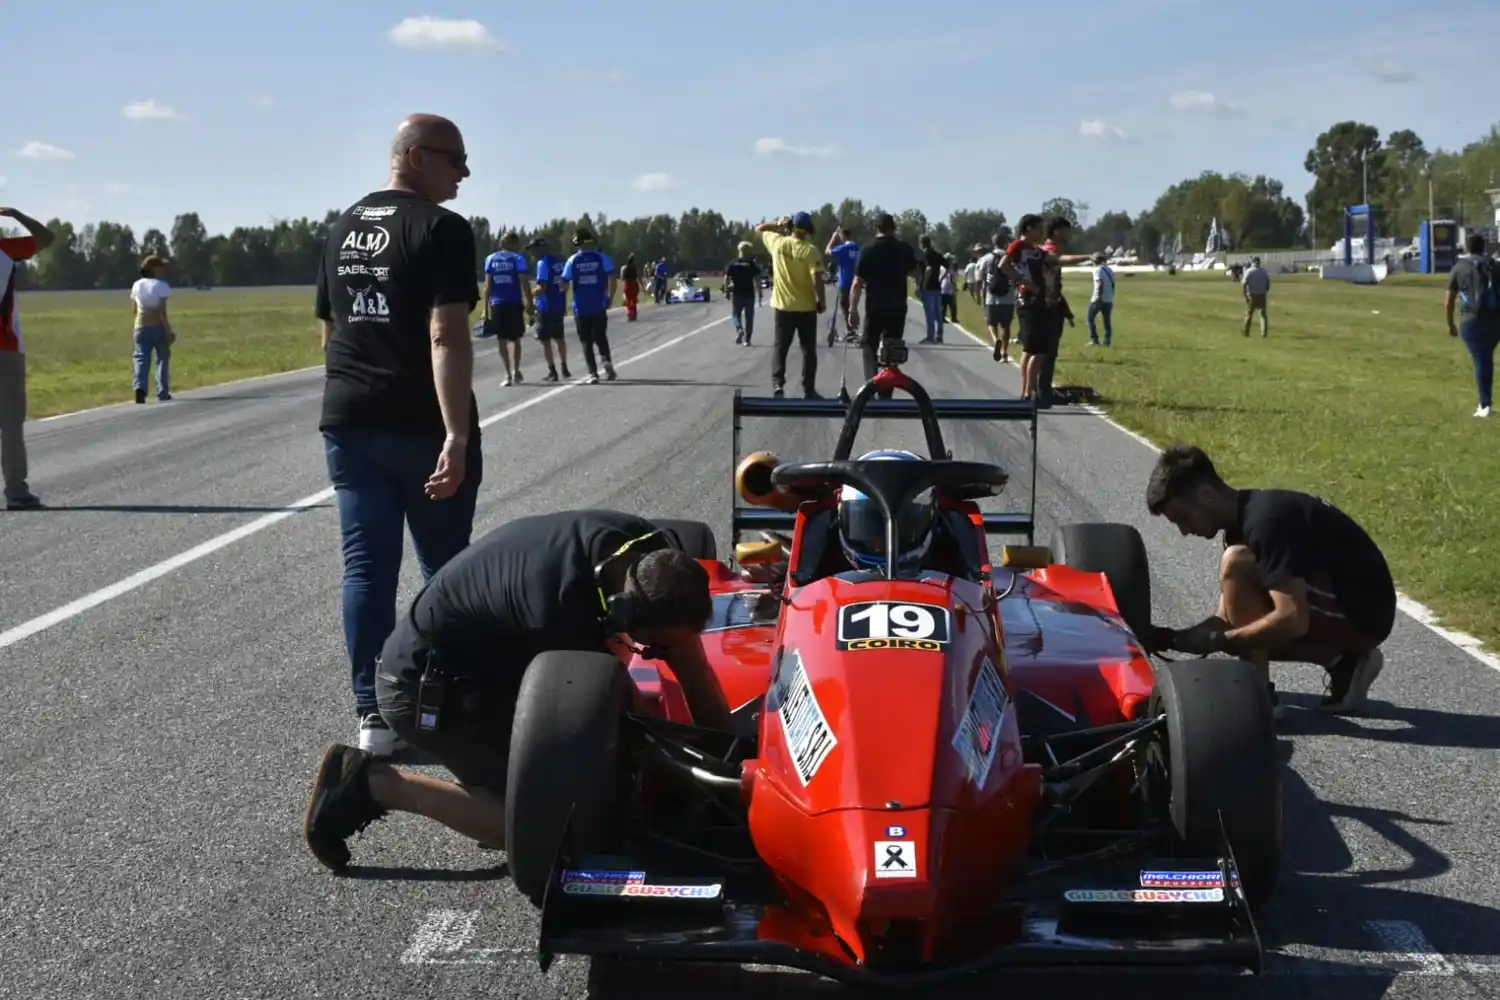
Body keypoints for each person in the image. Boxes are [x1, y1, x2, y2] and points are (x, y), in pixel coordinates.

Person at [301, 509, 731, 872]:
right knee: (551, 823)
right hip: (422, 689)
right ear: (624, 615)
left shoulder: (646, 549)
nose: (665, 653)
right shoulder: (559, 617)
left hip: (484, 662)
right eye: (653, 644)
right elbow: (609, 718)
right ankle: (373, 783)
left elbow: (688, 659)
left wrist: (727, 756)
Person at [316, 113, 482, 756]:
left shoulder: (343, 225)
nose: (464, 172)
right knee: (445, 570)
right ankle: (443, 703)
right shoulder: (442, 228)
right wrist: (457, 435)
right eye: (455, 159)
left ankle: (373, 718)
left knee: (366, 569)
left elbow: (332, 329)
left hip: (350, 417)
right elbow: (446, 335)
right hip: (418, 419)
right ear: (416, 156)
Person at [1144, 444, 1394, 718]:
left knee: (1237, 568)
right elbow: (1227, 619)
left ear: (1206, 495)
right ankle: (1346, 663)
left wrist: (1220, 641)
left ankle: (1260, 700)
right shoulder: (1241, 525)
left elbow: (1292, 619)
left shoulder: (1266, 522)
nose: (1183, 531)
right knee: (1245, 626)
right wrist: (1170, 638)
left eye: (1183, 518)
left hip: (1364, 613)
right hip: (1345, 603)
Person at [1, 206, 55, 511]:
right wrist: (17, 215)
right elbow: (46, 238)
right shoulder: (6, 250)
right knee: (10, 425)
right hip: (6, 347)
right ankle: (16, 491)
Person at [755, 212, 826, 399]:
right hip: (806, 308)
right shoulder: (811, 250)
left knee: (781, 348)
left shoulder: (778, 243)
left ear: (791, 228)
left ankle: (778, 384)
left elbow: (759, 228)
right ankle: (808, 389)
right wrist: (821, 301)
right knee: (808, 351)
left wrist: (778, 223)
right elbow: (817, 278)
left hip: (783, 306)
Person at [847, 213, 920, 384]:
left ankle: (871, 385)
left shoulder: (867, 250)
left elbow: (857, 282)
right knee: (892, 348)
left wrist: (853, 309)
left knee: (870, 346)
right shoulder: (903, 248)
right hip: (897, 305)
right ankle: (887, 391)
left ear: (876, 229)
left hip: (875, 305)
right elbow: (916, 272)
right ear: (893, 229)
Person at [1444, 231, 1499, 418]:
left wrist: (1451, 324)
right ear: (1484, 247)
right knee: (1487, 357)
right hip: (1495, 318)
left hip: (1472, 319)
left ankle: (1485, 404)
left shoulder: (1459, 268)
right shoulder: (1495, 265)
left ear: (1466, 247)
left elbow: (1449, 300)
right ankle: (1485, 403)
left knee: (1481, 359)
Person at [559, 226, 618, 385]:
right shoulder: (602, 258)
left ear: (577, 243)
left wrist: (561, 289)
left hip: (581, 306)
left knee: (586, 341)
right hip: (598, 304)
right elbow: (612, 278)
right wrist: (610, 297)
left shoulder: (573, 260)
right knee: (601, 336)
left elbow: (564, 284)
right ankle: (606, 361)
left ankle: (593, 373)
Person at [482, 231, 533, 387]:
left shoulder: (490, 259)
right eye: (517, 244)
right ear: (511, 243)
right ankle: (515, 370)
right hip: (514, 303)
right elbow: (524, 283)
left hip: (498, 304)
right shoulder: (518, 259)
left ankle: (508, 373)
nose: (518, 247)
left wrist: (485, 308)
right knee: (516, 339)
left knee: (502, 340)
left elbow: (487, 286)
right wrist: (530, 303)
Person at [525, 236, 571, 382]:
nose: (531, 253)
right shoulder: (560, 261)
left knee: (545, 340)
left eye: (532, 249)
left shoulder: (542, 263)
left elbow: (542, 287)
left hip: (545, 306)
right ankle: (564, 365)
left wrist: (529, 294)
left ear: (540, 249)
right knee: (559, 337)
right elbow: (565, 284)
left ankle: (553, 371)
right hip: (559, 303)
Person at [976, 232, 1017, 364]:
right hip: (1008, 297)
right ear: (1005, 242)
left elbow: (979, 279)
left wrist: (979, 295)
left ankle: (995, 340)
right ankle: (1005, 353)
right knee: (1006, 326)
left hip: (991, 297)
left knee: (991, 323)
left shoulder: (986, 258)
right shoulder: (1009, 257)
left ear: (993, 243)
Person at [824, 226, 860, 345]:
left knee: (845, 307)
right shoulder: (857, 247)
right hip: (856, 281)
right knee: (853, 307)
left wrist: (833, 239)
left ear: (843, 236)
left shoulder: (843, 248)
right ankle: (852, 329)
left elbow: (827, 251)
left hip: (845, 282)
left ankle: (850, 331)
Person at [723, 241, 761, 346]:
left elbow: (727, 277)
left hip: (737, 293)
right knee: (749, 317)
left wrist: (727, 291)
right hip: (749, 294)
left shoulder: (733, 264)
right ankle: (747, 340)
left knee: (736, 314)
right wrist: (760, 293)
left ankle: (739, 329)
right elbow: (757, 279)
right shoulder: (752, 265)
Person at [917, 235, 947, 343]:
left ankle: (930, 336)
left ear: (921, 243)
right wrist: (941, 278)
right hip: (937, 286)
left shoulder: (925, 255)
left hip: (928, 286)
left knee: (929, 313)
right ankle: (939, 335)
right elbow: (948, 266)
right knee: (938, 312)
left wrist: (923, 284)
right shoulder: (938, 255)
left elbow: (928, 269)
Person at [1086, 251, 1116, 347]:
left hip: (1099, 298)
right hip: (1109, 298)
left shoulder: (1097, 270)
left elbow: (1099, 284)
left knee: (1090, 318)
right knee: (1107, 320)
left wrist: (1098, 297)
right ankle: (1107, 340)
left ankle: (1094, 339)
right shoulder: (1109, 270)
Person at [1241, 255, 1270, 337]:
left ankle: (1246, 331)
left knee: (1249, 314)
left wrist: (1245, 296)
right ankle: (1264, 332)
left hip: (1252, 295)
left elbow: (1244, 284)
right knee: (1263, 315)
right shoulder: (1263, 272)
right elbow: (1267, 285)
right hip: (1262, 294)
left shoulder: (1249, 271)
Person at [621, 253, 641, 321]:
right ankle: (634, 314)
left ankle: (630, 313)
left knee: (629, 299)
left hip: (628, 284)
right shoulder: (634, 267)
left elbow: (623, 277)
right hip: (634, 284)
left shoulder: (626, 268)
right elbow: (636, 276)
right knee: (634, 299)